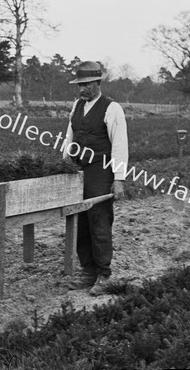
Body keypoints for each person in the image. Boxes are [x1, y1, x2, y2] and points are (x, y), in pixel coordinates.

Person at [63, 61, 128, 296]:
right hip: (79, 171)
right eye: (79, 85)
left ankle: (104, 274)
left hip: (101, 170)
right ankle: (88, 270)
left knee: (99, 220)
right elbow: (69, 136)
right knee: (80, 220)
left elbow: (120, 146)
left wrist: (118, 179)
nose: (82, 89)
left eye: (86, 85)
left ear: (97, 83)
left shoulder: (112, 109)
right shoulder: (76, 106)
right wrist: (64, 161)